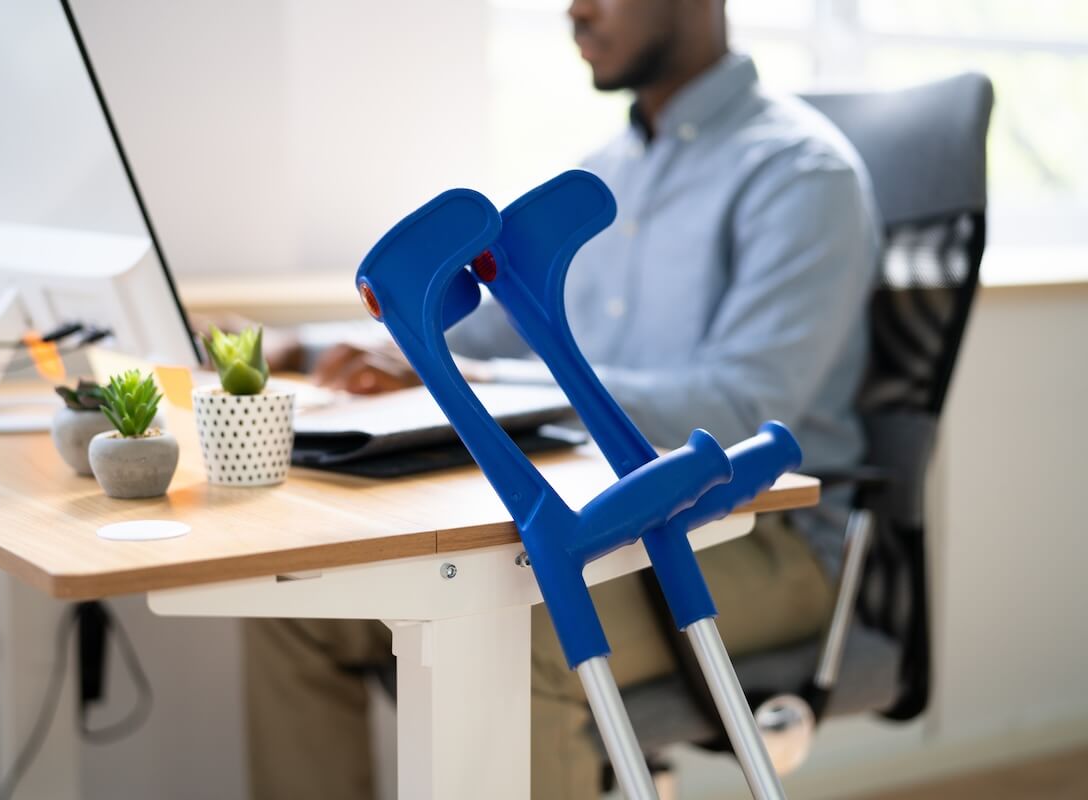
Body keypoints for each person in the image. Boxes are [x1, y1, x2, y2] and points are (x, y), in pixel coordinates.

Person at [244, 0, 880, 797]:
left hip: (759, 535)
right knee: (301, 611)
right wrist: (298, 345)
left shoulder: (799, 175)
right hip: (605, 516)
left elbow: (744, 402)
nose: (574, 10)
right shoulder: (603, 179)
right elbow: (480, 333)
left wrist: (494, 387)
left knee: (516, 627)